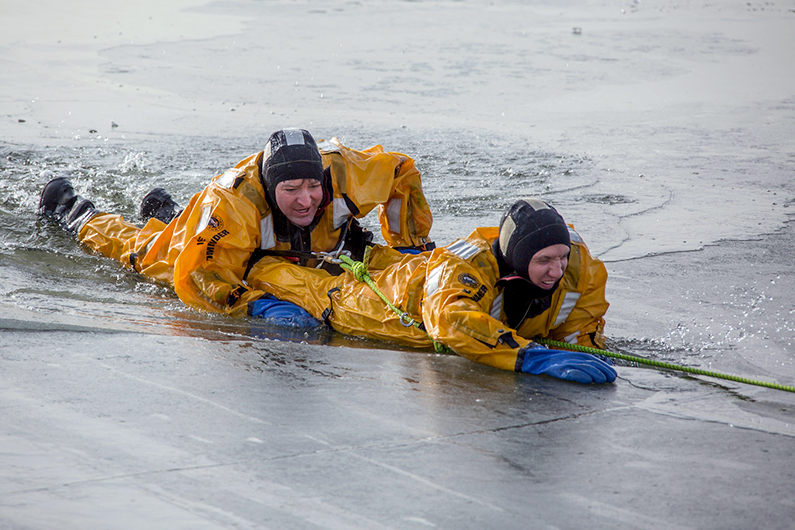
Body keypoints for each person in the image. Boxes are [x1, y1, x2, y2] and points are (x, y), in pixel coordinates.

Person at [38, 129, 434, 325]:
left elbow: (401, 171)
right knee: (147, 255)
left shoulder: (345, 172)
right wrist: (256, 306)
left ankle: (166, 209)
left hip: (289, 244)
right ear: (270, 187)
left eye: (313, 186)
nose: (305, 199)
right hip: (224, 237)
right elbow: (197, 277)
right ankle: (74, 210)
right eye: (291, 189)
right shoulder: (236, 204)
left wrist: (411, 244)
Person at [241, 198, 616, 384]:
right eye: (545, 261)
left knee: (356, 258)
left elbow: (584, 317)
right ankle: (255, 262)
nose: (557, 270)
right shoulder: (467, 266)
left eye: (561, 258)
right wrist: (529, 357)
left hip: (421, 272)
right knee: (318, 291)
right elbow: (452, 321)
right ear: (517, 257)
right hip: (389, 301)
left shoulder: (576, 267)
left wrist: (589, 347)